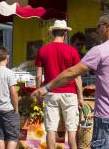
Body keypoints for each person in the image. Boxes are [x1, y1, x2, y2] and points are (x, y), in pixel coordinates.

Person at [37, 10, 109, 149]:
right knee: (71, 130)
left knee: (51, 129)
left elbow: (73, 72)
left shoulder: (100, 50)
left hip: (106, 116)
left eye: (98, 26)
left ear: (107, 25)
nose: (97, 30)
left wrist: (46, 87)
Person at [34, 20, 83, 149]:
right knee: (72, 132)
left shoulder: (43, 50)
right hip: (70, 93)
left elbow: (38, 75)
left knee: (51, 130)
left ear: (52, 34)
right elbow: (77, 76)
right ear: (65, 34)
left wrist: (39, 95)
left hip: (51, 93)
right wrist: (80, 97)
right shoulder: (72, 51)